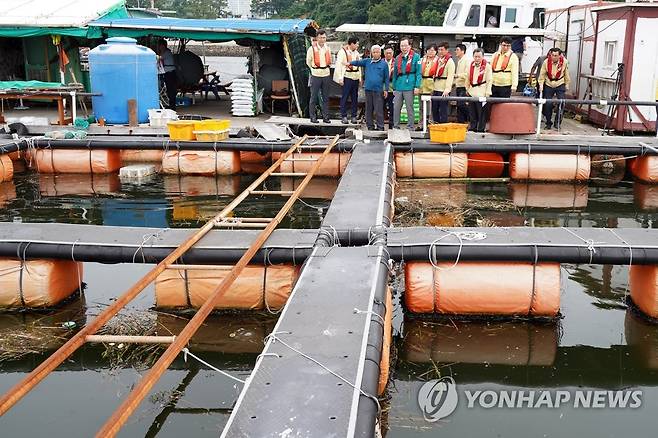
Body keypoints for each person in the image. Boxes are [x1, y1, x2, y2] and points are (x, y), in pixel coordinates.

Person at [346, 45, 390, 130]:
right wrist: (350, 63)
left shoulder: (384, 64)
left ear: (380, 53)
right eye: (374, 52)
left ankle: (380, 127)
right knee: (368, 109)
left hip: (378, 90)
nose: (376, 54)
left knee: (378, 110)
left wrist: (386, 89)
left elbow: (386, 78)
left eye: (377, 52)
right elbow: (358, 62)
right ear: (371, 53)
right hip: (368, 89)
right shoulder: (367, 61)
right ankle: (370, 126)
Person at [391, 38, 421, 130]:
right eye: (402, 46)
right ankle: (396, 126)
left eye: (405, 45)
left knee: (409, 107)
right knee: (396, 107)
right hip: (399, 85)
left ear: (409, 46)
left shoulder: (416, 57)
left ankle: (410, 126)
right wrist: (394, 87)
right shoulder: (397, 58)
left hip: (410, 85)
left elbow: (418, 72)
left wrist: (417, 86)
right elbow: (395, 74)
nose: (403, 48)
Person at [538, 47, 571, 129]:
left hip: (560, 83)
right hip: (549, 83)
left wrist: (567, 84)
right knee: (547, 104)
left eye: (556, 55)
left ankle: (558, 123)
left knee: (562, 102)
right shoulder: (546, 62)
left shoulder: (564, 62)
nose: (554, 57)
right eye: (552, 55)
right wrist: (541, 84)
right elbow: (542, 74)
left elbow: (566, 73)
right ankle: (548, 122)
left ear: (559, 56)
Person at [306, 29, 332, 123]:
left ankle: (326, 117)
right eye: (320, 37)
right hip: (316, 74)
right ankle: (313, 117)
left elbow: (330, 60)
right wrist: (313, 69)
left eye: (324, 37)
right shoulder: (311, 49)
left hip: (326, 73)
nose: (322, 39)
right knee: (313, 97)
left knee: (326, 97)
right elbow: (308, 62)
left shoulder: (328, 48)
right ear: (317, 38)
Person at [334, 36, 361, 124]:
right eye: (356, 44)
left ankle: (354, 116)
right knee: (345, 97)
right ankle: (344, 116)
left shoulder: (356, 53)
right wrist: (340, 78)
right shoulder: (342, 52)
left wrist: (360, 78)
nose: (357, 45)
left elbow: (359, 66)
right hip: (347, 76)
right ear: (352, 44)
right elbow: (339, 65)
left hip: (355, 76)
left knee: (354, 97)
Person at [466, 48, 493, 132]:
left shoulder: (487, 66)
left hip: (482, 92)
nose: (477, 58)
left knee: (481, 113)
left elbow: (489, 80)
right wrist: (467, 89)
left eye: (479, 57)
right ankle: (473, 127)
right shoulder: (470, 66)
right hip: (472, 91)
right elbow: (467, 78)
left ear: (483, 57)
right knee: (472, 112)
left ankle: (481, 128)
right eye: (475, 56)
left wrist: (488, 93)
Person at [432, 41, 455, 124]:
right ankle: (435, 124)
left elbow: (450, 76)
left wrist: (447, 89)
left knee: (443, 110)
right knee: (434, 109)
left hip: (443, 89)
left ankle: (443, 126)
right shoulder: (438, 60)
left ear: (447, 50)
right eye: (439, 50)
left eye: (442, 50)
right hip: (436, 87)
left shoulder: (450, 62)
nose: (440, 52)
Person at [419, 44, 439, 123]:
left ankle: (430, 121)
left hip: (432, 85)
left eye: (433, 50)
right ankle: (421, 122)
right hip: (422, 85)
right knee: (421, 106)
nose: (431, 52)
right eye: (429, 50)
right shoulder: (421, 60)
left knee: (431, 106)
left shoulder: (438, 61)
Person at [157, 39, 177, 111]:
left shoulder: (167, 53)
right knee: (169, 90)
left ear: (162, 46)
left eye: (159, 46)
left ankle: (172, 107)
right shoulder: (165, 52)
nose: (159, 47)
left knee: (171, 90)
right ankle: (171, 105)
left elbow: (158, 58)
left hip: (170, 73)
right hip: (168, 73)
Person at [453, 43, 471, 123]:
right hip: (458, 86)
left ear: (462, 51)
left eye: (457, 50)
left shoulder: (467, 60)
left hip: (464, 86)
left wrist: (457, 75)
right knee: (459, 106)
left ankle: (471, 118)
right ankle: (461, 123)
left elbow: (467, 74)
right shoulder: (459, 60)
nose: (455, 51)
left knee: (461, 104)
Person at [384, 46, 395, 129]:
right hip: (381, 88)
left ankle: (392, 126)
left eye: (390, 53)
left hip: (392, 88)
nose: (388, 55)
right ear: (384, 53)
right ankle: (380, 126)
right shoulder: (380, 62)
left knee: (392, 108)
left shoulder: (396, 62)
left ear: (393, 53)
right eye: (387, 53)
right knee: (380, 107)